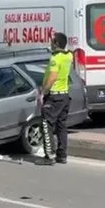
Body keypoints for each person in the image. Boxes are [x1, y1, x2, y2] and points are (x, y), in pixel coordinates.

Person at [35, 32, 73, 166]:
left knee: (47, 125)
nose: (50, 43)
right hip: (64, 95)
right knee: (62, 126)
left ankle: (49, 156)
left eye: (52, 41)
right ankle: (62, 155)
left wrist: (42, 93)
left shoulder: (55, 59)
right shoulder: (69, 55)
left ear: (56, 44)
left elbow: (52, 77)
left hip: (54, 96)